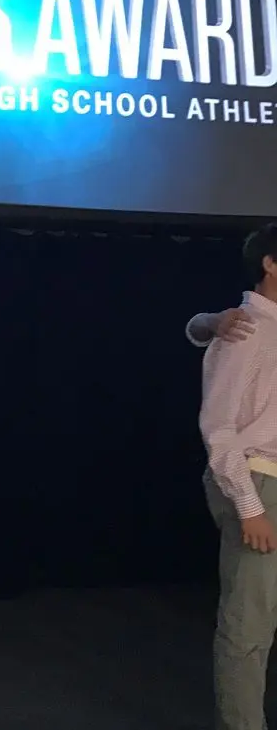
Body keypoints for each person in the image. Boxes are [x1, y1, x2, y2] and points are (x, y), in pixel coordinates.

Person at [199, 223, 277, 730]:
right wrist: (252, 507)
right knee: (248, 626)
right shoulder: (244, 329)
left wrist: (200, 321)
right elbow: (218, 427)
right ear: (271, 263)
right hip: (258, 479)